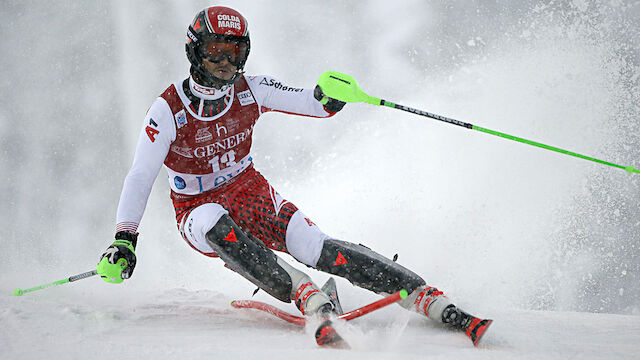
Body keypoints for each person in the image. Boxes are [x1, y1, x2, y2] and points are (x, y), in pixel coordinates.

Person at [97, 6, 491, 345]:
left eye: (235, 53)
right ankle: (306, 295)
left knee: (319, 248)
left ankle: (427, 297)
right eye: (215, 50)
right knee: (215, 225)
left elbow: (312, 104)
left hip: (249, 191)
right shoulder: (167, 109)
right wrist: (125, 239)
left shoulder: (251, 89)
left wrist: (329, 95)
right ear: (194, 52)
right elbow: (140, 175)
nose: (225, 62)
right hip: (195, 208)